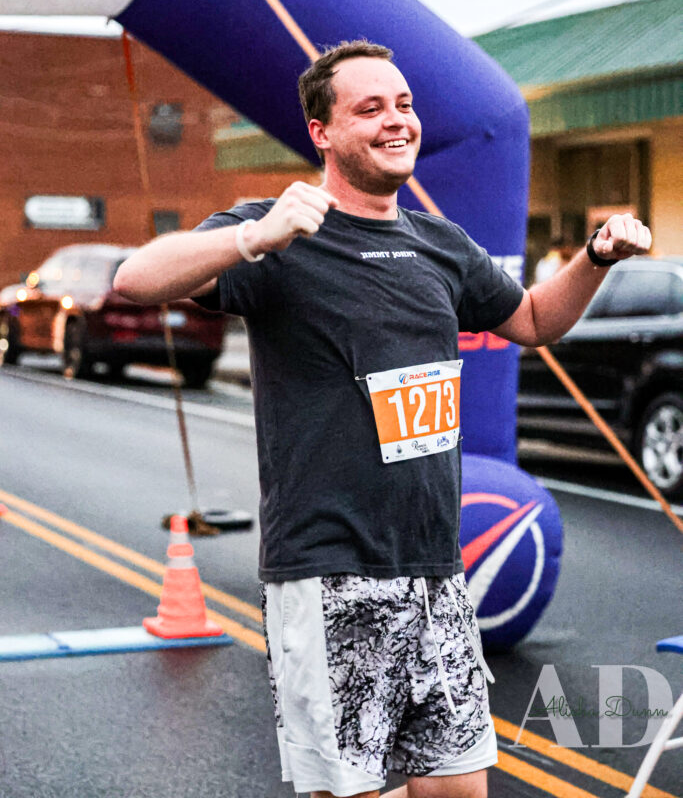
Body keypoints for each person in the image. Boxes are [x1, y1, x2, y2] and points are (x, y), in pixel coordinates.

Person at [114, 40, 651, 798]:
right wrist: (251, 239)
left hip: (434, 568)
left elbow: (530, 320)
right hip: (330, 572)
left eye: (402, 105)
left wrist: (594, 257)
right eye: (369, 109)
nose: (395, 121)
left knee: (457, 790)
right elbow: (134, 278)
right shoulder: (279, 231)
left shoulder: (439, 243)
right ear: (322, 133)